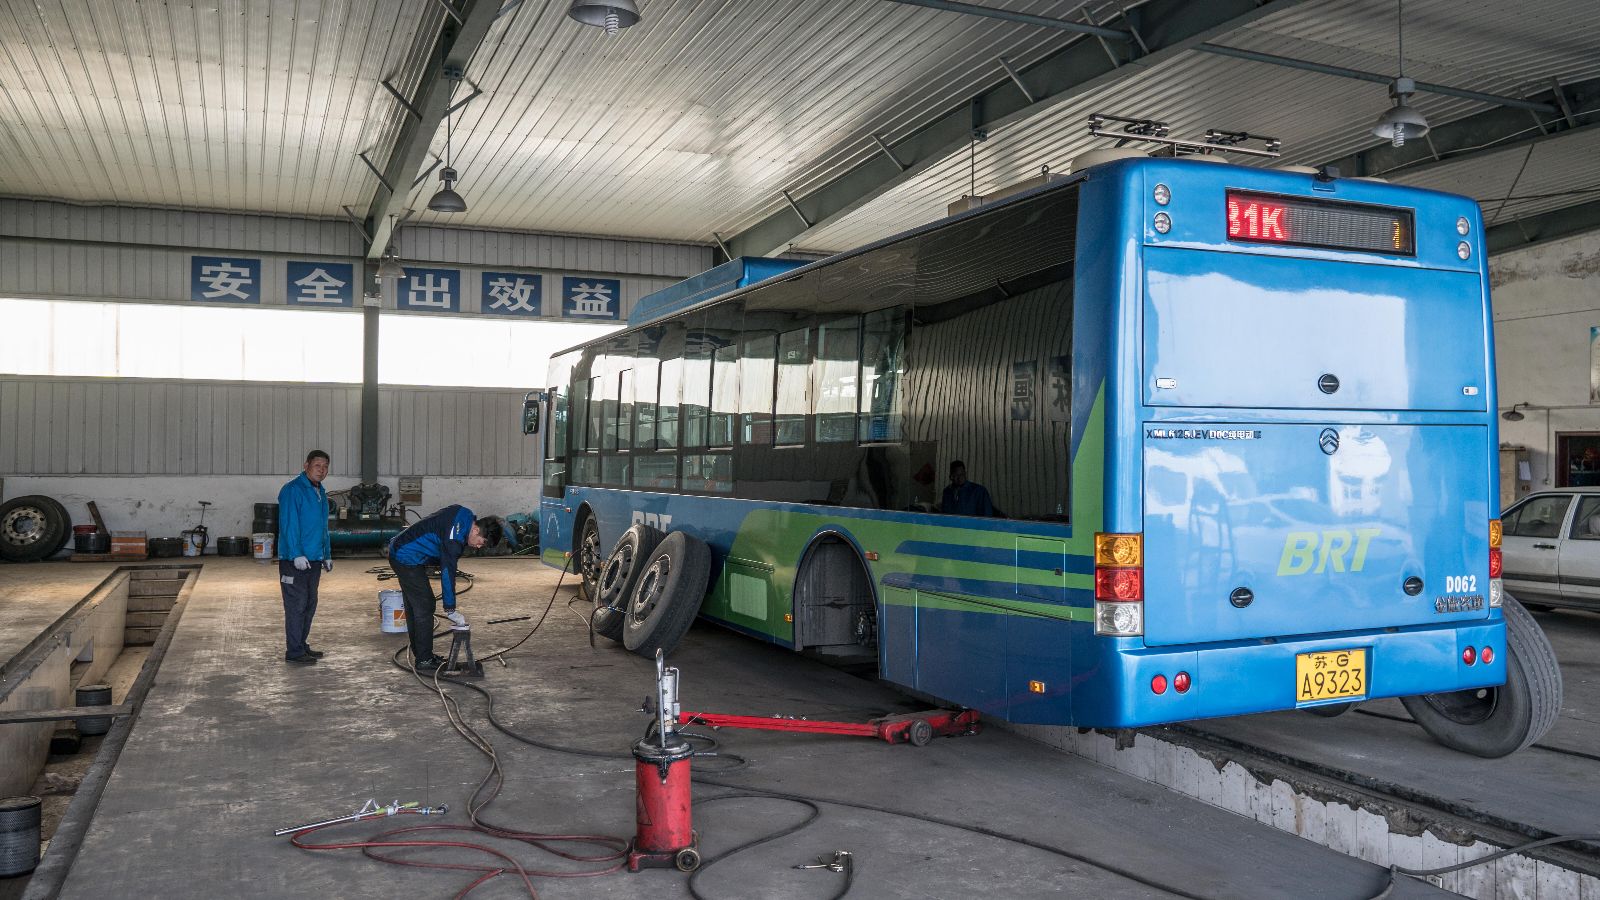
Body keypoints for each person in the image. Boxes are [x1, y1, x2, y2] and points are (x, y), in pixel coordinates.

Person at [387, 505, 502, 670]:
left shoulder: (464, 513)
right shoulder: (454, 540)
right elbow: (448, 573)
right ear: (476, 530)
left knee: (415, 606)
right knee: (425, 605)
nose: (478, 547)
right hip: (406, 557)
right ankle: (424, 660)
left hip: (402, 549)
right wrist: (450, 608)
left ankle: (421, 654)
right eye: (481, 543)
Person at [277, 450, 332, 665]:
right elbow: (289, 524)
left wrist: (327, 554)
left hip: (314, 559)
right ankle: (294, 651)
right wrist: (296, 554)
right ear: (306, 465)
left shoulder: (320, 492)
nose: (322, 470)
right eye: (317, 465)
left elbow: (323, 527)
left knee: (309, 603)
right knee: (296, 605)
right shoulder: (293, 490)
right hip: (295, 561)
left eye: (325, 467)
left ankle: (300, 644)